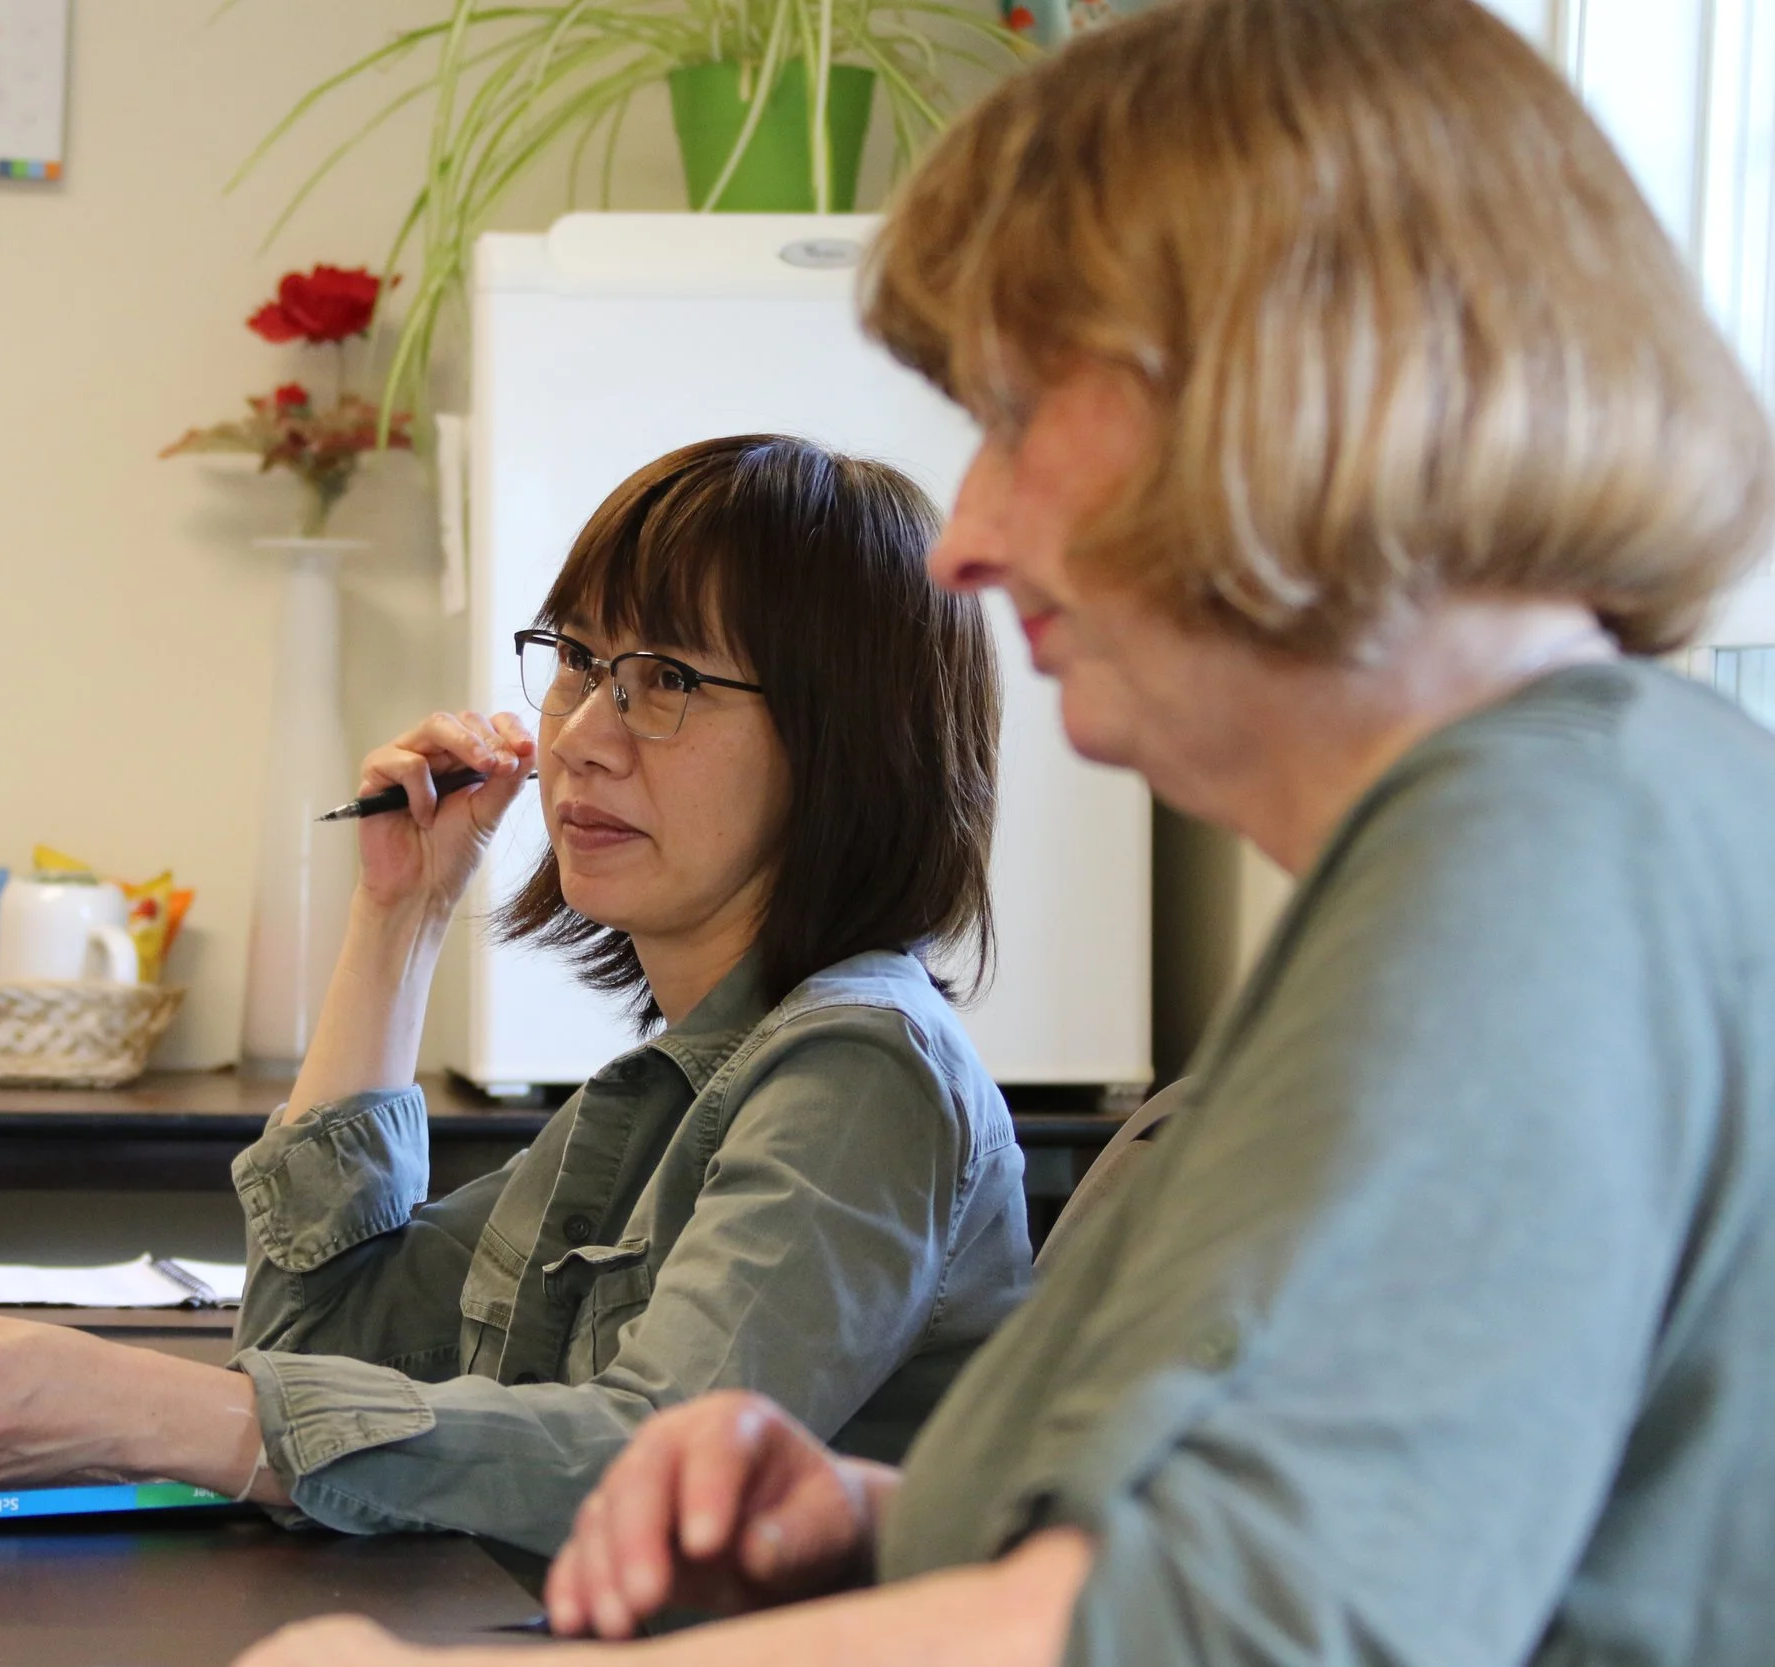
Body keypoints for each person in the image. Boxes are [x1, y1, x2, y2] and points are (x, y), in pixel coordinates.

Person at [228, 0, 1775, 1661]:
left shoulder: (1539, 863)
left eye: (1021, 418)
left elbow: (1231, 1627)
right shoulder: (1538, 828)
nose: (966, 542)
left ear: (1294, 387)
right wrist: (888, 1526)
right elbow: (1381, 1529)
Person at [0, 435, 1030, 1556]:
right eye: (577, 662)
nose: (582, 736)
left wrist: (144, 1405)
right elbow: (313, 1345)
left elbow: (653, 1469)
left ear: (845, 744)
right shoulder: (682, 1080)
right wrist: (399, 915)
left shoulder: (862, 1069)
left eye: (665, 678)